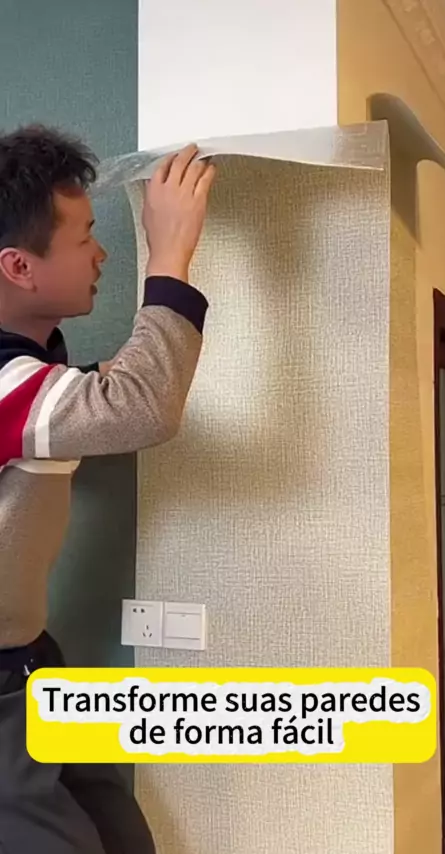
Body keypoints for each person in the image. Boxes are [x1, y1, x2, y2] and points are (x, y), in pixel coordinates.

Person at [0, 125, 216, 853]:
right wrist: (171, 254)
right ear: (19, 267)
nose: (102, 253)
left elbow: (82, 406)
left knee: (119, 832)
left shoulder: (27, 382)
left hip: (31, 663)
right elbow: (140, 407)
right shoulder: (9, 386)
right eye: (85, 236)